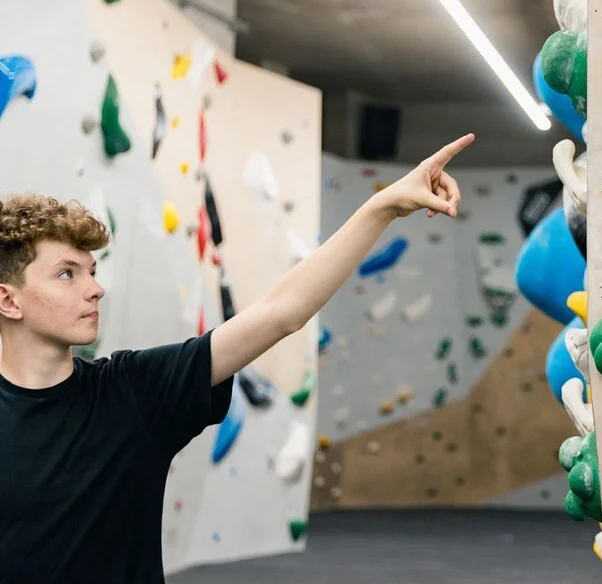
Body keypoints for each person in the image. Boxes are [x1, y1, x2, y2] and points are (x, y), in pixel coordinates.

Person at [0, 134, 474, 584]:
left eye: (92, 271)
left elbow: (279, 314)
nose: (95, 288)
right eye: (66, 274)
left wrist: (383, 206)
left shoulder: (134, 391)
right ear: (9, 301)